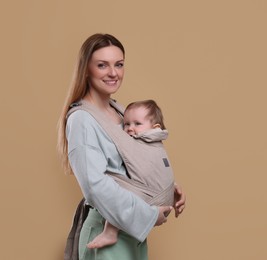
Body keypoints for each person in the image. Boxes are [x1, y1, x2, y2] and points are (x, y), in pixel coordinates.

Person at [57, 33, 186, 260]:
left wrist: (166, 188)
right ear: (86, 69)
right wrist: (147, 214)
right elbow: (95, 185)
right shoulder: (83, 120)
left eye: (119, 64)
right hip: (108, 231)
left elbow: (133, 164)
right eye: (102, 65)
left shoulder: (121, 111)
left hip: (131, 234)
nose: (113, 73)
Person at [86, 99, 176, 249]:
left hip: (153, 199)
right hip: (165, 196)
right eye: (126, 124)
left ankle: (110, 232)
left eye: (137, 124)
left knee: (117, 190)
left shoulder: (142, 140)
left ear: (155, 127)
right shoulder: (156, 140)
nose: (130, 128)